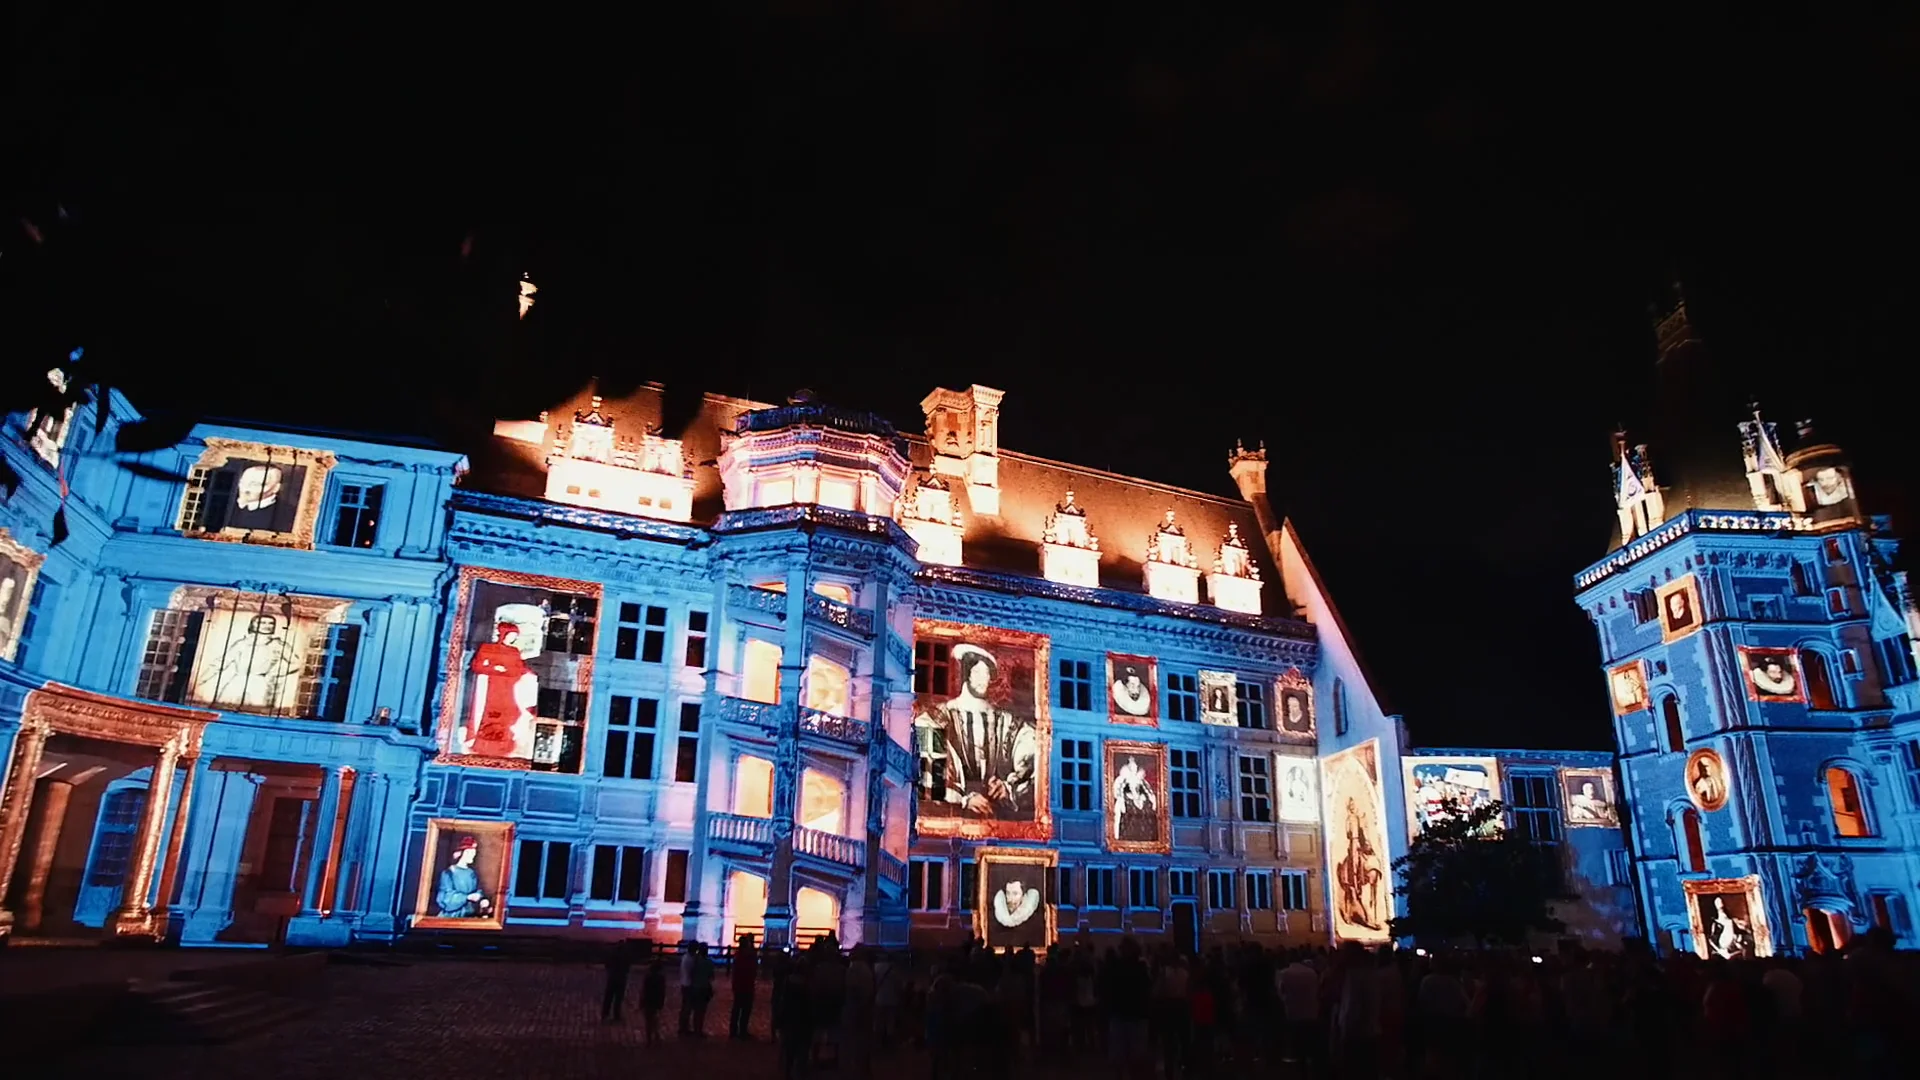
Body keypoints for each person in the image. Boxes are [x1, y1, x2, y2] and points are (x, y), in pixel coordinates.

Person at [918, 644, 1039, 819]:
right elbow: (928, 770)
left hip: (998, 818)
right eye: (978, 673)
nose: (984, 679)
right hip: (949, 817)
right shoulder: (933, 718)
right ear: (967, 674)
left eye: (987, 674)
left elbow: (1033, 760)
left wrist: (1007, 787)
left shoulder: (1008, 722)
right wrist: (963, 799)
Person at [464, 619, 535, 757]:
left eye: (514, 637)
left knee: (509, 714)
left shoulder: (514, 651)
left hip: (507, 689)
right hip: (489, 687)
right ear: (503, 635)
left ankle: (502, 742)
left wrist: (513, 671)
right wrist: (495, 668)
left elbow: (518, 669)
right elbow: (477, 666)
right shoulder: (487, 648)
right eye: (510, 636)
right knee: (485, 713)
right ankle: (480, 742)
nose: (512, 640)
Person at [433, 836, 493, 919]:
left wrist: (482, 900)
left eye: (473, 853)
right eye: (469, 853)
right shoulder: (448, 873)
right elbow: (445, 898)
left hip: (470, 916)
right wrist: (467, 897)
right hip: (452, 917)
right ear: (461, 853)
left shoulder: (471, 873)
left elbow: (478, 891)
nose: (472, 856)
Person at [1112, 757, 1159, 843]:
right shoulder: (1122, 795)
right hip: (1127, 835)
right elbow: (1116, 818)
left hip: (1147, 836)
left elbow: (1149, 793)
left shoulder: (1145, 794)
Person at [730, 934, 760, 1038]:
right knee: (745, 1009)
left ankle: (733, 1031)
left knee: (737, 1008)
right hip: (746, 985)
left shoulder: (737, 955)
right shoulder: (748, 955)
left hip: (739, 985)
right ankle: (742, 1031)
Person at [602, 938, 633, 1022]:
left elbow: (607, 964)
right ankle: (616, 1015)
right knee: (618, 998)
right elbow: (628, 966)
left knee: (609, 997)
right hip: (621, 978)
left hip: (612, 977)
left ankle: (605, 1014)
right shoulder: (625, 955)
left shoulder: (612, 954)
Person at [641, 956, 667, 1044]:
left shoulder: (648, 977)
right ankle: (656, 1035)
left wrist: (641, 1001)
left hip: (648, 1000)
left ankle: (649, 1038)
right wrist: (662, 1001)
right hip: (656, 1000)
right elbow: (662, 991)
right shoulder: (661, 978)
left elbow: (644, 990)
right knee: (655, 1018)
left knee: (648, 1020)